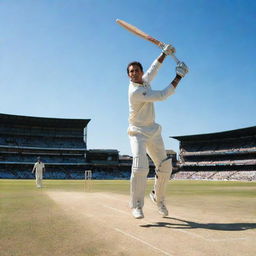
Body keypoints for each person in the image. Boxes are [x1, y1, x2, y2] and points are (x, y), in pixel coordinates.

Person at [127, 44, 188, 219]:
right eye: (131, 72)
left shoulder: (144, 81)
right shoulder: (135, 92)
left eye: (136, 70)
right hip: (137, 131)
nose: (134, 73)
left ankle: (158, 198)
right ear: (129, 75)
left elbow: (153, 70)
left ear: (140, 71)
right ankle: (136, 206)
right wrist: (178, 77)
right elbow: (161, 95)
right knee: (140, 167)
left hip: (153, 130)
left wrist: (164, 53)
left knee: (166, 166)